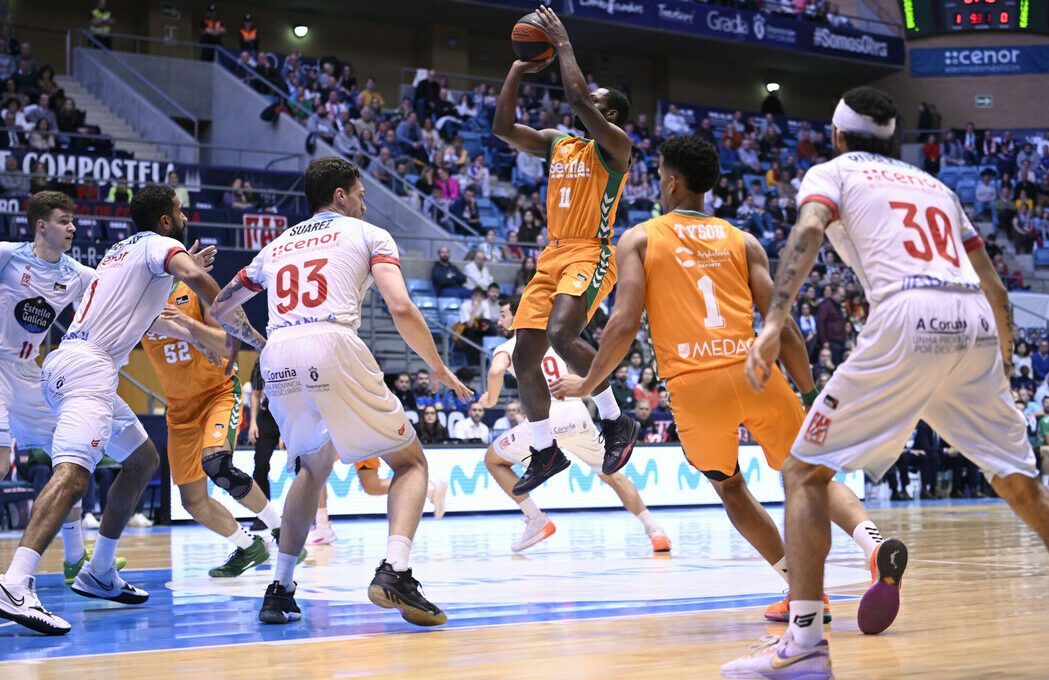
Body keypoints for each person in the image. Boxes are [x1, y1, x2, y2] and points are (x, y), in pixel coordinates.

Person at [724, 87, 1049, 677]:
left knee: (803, 473)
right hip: (973, 318)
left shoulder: (833, 171)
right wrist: (1000, 355)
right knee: (1020, 483)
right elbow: (996, 286)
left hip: (908, 314)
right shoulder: (938, 187)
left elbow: (810, 231)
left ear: (840, 136)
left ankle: (803, 647)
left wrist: (774, 319)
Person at [551, 133, 888, 633]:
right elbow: (786, 326)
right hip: (757, 373)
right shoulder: (742, 239)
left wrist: (588, 384)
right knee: (811, 477)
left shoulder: (640, 238)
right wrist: (812, 393)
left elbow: (622, 325)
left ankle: (802, 590)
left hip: (694, 385)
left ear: (670, 181)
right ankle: (874, 544)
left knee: (731, 487)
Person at [210, 156, 471, 627]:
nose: (365, 204)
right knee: (410, 462)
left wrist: (255, 341)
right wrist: (438, 366)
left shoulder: (277, 244)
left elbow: (221, 305)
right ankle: (396, 570)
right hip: (332, 341)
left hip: (279, 353)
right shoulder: (367, 235)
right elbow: (401, 306)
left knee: (311, 468)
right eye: (361, 195)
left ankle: (280, 588)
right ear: (340, 197)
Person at [0, 184, 260, 636]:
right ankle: (16, 583)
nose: (186, 219)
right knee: (74, 473)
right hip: (86, 368)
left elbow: (168, 310)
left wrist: (194, 299)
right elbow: (201, 285)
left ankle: (98, 571)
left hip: (70, 364)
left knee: (141, 459)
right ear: (165, 220)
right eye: (180, 212)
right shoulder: (162, 246)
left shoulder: (119, 255)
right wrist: (230, 313)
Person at [492, 6, 637, 495]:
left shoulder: (615, 146)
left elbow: (577, 96)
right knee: (525, 356)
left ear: (608, 114)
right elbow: (504, 129)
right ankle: (544, 448)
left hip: (590, 252)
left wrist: (564, 45)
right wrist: (517, 68)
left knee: (560, 333)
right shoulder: (559, 144)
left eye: (594, 103)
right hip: (551, 255)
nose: (579, 104)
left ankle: (617, 419)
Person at [0, 192, 132, 594]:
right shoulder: (7, 255)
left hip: (29, 375)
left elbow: (120, 291)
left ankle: (75, 559)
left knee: (70, 454)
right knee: (2, 462)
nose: (72, 227)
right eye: (63, 220)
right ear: (42, 226)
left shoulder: (76, 274)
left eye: (73, 220)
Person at [141, 280, 305, 577]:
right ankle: (248, 546)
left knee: (218, 462)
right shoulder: (136, 300)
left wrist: (188, 324)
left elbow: (226, 343)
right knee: (192, 501)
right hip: (179, 410)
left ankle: (281, 530)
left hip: (218, 392)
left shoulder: (191, 290)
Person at [483, 297, 671, 552]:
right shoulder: (552, 339)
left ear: (518, 316)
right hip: (576, 412)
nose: (499, 320)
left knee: (493, 459)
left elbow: (495, 372)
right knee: (612, 473)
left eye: (503, 314)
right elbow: (574, 373)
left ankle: (536, 519)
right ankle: (654, 530)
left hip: (545, 421)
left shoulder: (509, 345)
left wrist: (490, 398)